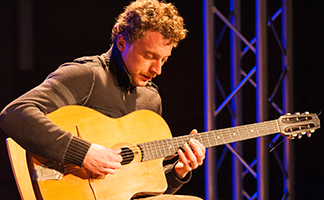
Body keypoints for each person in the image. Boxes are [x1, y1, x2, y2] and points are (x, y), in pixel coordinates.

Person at [0, 0, 206, 199]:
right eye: (149, 56)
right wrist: (84, 153)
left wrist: (178, 173)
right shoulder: (86, 77)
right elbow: (15, 113)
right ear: (122, 42)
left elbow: (141, 190)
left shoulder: (150, 100)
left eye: (164, 59)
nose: (157, 69)